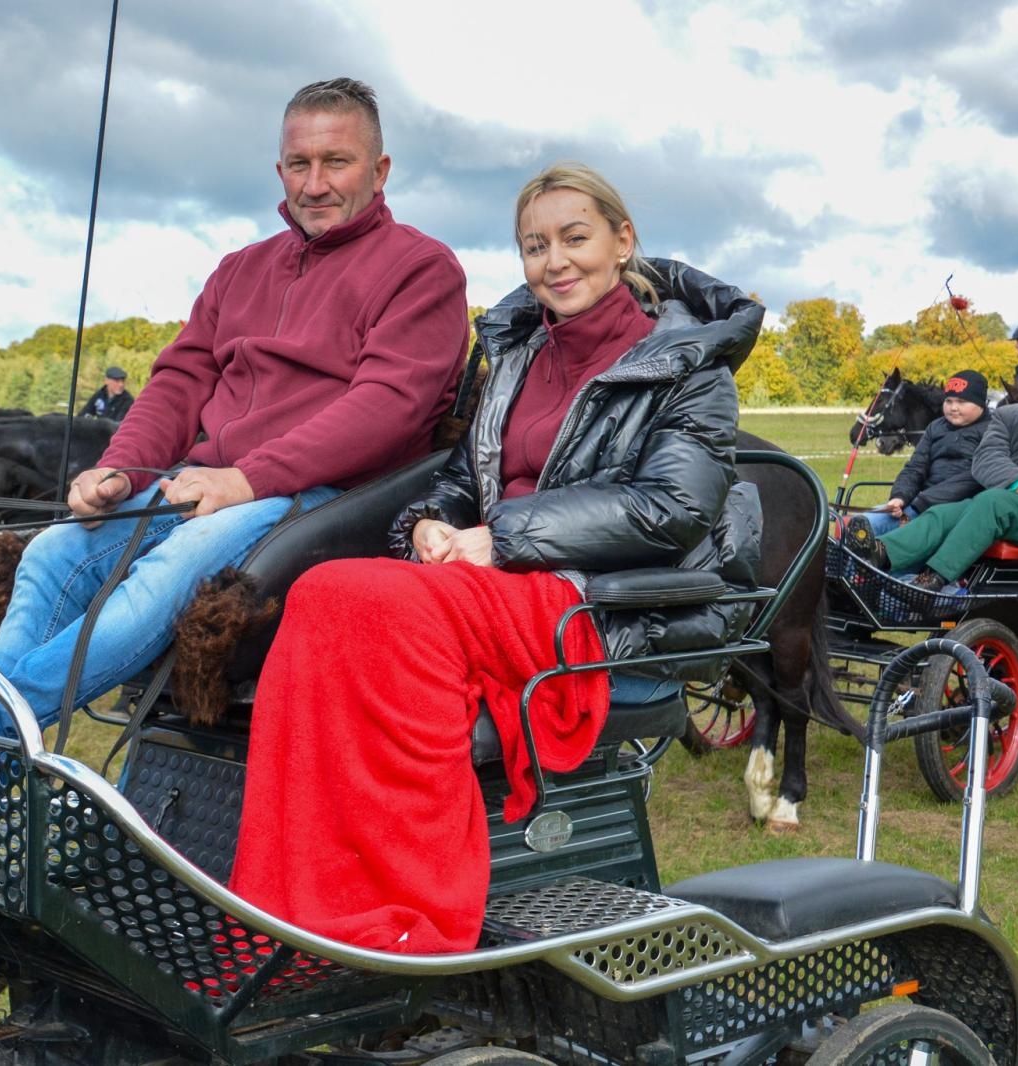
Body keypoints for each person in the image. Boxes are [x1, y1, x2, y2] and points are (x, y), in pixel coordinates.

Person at [228, 162, 764, 954]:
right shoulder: (516, 359)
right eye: (534, 246)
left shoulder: (691, 371)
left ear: (623, 243)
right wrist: (431, 527)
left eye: (575, 238)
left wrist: (501, 538)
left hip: (592, 597)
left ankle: (412, 907)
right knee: (320, 592)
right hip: (489, 584)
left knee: (364, 601)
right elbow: (456, 483)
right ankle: (297, 896)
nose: (555, 262)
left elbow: (671, 511)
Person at [0, 77, 469, 733]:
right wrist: (122, 467)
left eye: (337, 162)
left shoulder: (423, 269)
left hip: (329, 496)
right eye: (300, 164)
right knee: (51, 553)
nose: (315, 184)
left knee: (172, 570)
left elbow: (389, 405)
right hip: (210, 485)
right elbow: (180, 381)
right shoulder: (239, 270)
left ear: (380, 170)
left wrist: (249, 477)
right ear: (280, 169)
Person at [846, 350, 1018, 591]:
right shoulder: (1012, 415)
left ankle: (932, 579)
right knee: (945, 514)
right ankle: (877, 553)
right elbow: (986, 457)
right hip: (1016, 505)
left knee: (991, 501)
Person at [850, 369, 992, 538]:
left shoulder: (992, 432)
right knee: (856, 528)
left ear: (980, 403)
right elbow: (915, 468)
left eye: (962, 402)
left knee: (870, 530)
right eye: (949, 401)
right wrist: (900, 497)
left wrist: (920, 503)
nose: (954, 408)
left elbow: (971, 481)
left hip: (954, 510)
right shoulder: (935, 427)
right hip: (920, 504)